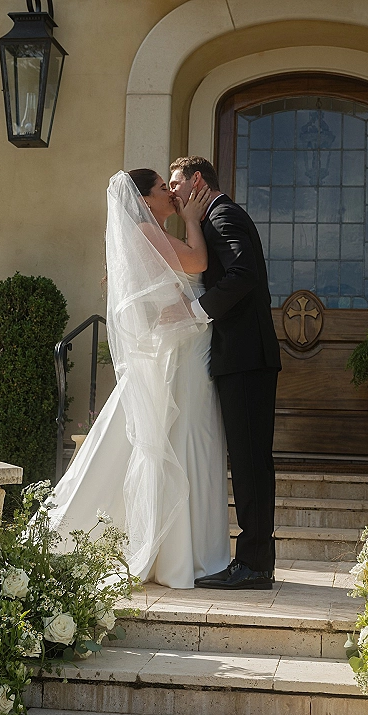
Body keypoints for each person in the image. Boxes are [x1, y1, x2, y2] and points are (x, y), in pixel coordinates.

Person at [49, 169, 230, 589]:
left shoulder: (148, 229)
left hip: (189, 343)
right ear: (147, 201)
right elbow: (198, 263)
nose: (172, 194)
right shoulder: (148, 230)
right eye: (164, 189)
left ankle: (183, 548)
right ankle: (178, 553)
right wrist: (191, 222)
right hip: (182, 350)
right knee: (181, 436)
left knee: (184, 436)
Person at [169, 156, 281, 590]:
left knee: (252, 462)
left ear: (198, 180)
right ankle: (255, 558)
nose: (174, 192)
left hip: (247, 358)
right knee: (249, 460)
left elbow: (243, 274)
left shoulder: (223, 215)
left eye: (176, 183)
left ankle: (253, 563)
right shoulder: (214, 217)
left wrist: (196, 312)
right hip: (239, 358)